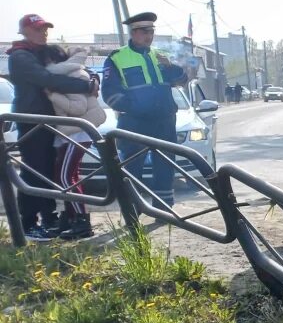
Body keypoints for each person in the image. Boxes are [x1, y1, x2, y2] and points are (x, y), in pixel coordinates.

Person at [6, 14, 100, 241]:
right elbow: (46, 78)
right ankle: (28, 223)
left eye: (45, 29)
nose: (43, 33)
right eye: (38, 29)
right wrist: (85, 86)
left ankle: (50, 218)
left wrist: (92, 76)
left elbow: (74, 67)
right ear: (25, 31)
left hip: (55, 120)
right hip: (32, 121)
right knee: (33, 171)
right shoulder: (20, 56)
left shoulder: (49, 51)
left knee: (50, 172)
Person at [101, 13, 188, 208]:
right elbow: (109, 93)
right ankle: (133, 212)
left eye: (151, 32)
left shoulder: (161, 54)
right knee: (132, 168)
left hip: (164, 121)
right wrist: (135, 109)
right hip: (134, 122)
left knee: (166, 167)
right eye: (144, 32)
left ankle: (164, 209)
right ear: (133, 33)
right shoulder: (117, 57)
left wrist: (171, 66)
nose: (149, 36)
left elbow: (182, 81)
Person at [44, 52, 107, 240]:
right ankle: (70, 218)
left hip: (77, 133)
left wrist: (52, 95)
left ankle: (81, 222)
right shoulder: (71, 73)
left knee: (65, 177)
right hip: (71, 132)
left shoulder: (73, 74)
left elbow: (78, 107)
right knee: (66, 176)